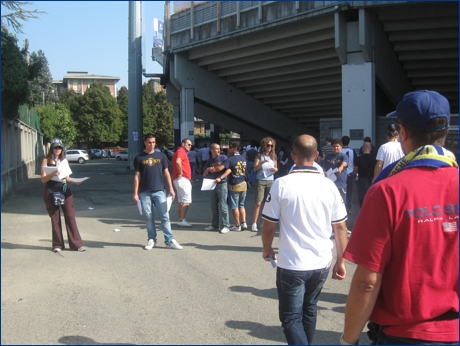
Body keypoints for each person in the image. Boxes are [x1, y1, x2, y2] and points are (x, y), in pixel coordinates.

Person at [341, 90, 458, 345]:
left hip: (403, 334)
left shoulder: (386, 191)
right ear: (446, 131)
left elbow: (367, 283)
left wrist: (348, 341)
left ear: (402, 132)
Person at [261, 134, 348, 345]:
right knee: (309, 309)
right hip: (321, 263)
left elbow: (269, 224)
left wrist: (267, 249)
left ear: (292, 155)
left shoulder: (281, 184)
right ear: (317, 155)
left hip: (292, 263)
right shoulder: (329, 186)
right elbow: (341, 227)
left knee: (290, 317)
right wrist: (341, 261)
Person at [133, 134, 183, 250]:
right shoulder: (139, 157)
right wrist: (135, 193)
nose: (152, 144)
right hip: (145, 192)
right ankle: (151, 239)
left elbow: (166, 173)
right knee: (149, 217)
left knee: (165, 216)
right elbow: (137, 176)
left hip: (160, 190)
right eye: (149, 142)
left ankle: (169, 240)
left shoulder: (161, 156)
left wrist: (171, 188)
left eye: (153, 142)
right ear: (145, 142)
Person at [41, 138, 86, 252]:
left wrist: (75, 181)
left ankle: (76, 244)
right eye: (56, 147)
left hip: (65, 191)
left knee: (70, 215)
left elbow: (67, 178)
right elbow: (43, 179)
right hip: (51, 191)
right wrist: (52, 173)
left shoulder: (64, 161)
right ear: (52, 148)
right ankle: (57, 245)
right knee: (55, 218)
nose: (58, 150)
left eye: (60, 148)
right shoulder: (46, 160)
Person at [202, 143, 231, 234]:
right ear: (211, 150)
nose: (218, 150)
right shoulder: (210, 160)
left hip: (222, 183)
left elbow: (229, 170)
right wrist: (207, 170)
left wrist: (221, 177)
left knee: (223, 205)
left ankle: (226, 225)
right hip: (213, 183)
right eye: (216, 149)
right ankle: (214, 224)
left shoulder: (223, 158)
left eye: (219, 149)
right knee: (213, 206)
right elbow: (204, 174)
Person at [251, 137, 278, 232]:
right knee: (258, 202)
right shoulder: (259, 156)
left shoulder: (273, 156)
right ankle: (254, 223)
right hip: (261, 180)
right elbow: (254, 169)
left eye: (271, 145)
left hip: (270, 180)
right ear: (264, 146)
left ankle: (263, 222)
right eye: (268, 145)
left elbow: (276, 168)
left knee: (267, 203)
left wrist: (275, 169)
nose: (269, 147)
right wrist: (262, 162)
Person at [223, 141, 248, 231]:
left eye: (230, 147)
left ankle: (237, 225)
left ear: (235, 148)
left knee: (234, 206)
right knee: (242, 204)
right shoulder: (243, 159)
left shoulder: (230, 159)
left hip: (234, 183)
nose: (229, 149)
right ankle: (244, 222)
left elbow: (226, 169)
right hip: (243, 183)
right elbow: (246, 172)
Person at [172, 138, 193, 228]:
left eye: (191, 145)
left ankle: (180, 219)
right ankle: (182, 220)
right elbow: (178, 161)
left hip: (178, 179)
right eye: (188, 144)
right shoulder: (181, 151)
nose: (190, 146)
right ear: (183, 143)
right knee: (186, 201)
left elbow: (177, 161)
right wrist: (181, 172)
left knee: (181, 201)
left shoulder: (178, 151)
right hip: (183, 179)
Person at [322, 138, 348, 206]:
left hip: (340, 185)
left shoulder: (343, 156)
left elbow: (344, 163)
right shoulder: (328, 157)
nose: (336, 148)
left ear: (341, 147)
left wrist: (341, 168)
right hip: (330, 184)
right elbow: (324, 168)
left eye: (337, 146)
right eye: (334, 146)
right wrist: (324, 172)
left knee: (341, 204)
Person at [352, 142, 376, 207]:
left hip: (362, 180)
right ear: (370, 149)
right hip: (372, 179)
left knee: (362, 199)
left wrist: (353, 176)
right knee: (371, 197)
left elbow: (355, 170)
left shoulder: (359, 158)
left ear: (362, 148)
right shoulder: (374, 158)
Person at [341, 136, 357, 213]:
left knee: (341, 191)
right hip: (349, 173)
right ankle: (348, 208)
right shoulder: (352, 151)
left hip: (341, 173)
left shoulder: (340, 151)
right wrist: (354, 173)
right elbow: (355, 163)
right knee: (349, 192)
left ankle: (342, 207)